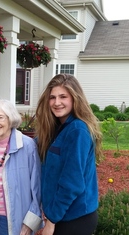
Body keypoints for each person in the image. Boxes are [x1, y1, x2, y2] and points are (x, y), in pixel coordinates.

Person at [35, 74, 103, 235]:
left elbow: (72, 182)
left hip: (74, 219)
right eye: (52, 97)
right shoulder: (58, 128)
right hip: (62, 215)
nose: (56, 102)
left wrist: (51, 221)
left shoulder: (77, 130)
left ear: (75, 98)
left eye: (63, 97)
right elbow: (32, 144)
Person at [0, 99, 42, 235]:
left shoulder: (27, 146)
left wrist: (29, 223)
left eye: (0, 117)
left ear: (10, 119)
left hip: (16, 215)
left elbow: (37, 188)